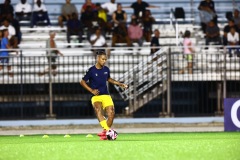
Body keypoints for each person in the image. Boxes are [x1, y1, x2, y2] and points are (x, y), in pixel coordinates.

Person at [80, 50, 128, 140]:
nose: (104, 61)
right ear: (98, 58)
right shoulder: (91, 70)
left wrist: (120, 84)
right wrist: (91, 90)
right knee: (98, 109)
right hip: (96, 96)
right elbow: (82, 82)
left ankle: (106, 133)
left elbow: (109, 79)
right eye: (103, 59)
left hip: (106, 95)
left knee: (111, 113)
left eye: (105, 59)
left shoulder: (106, 69)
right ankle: (108, 131)